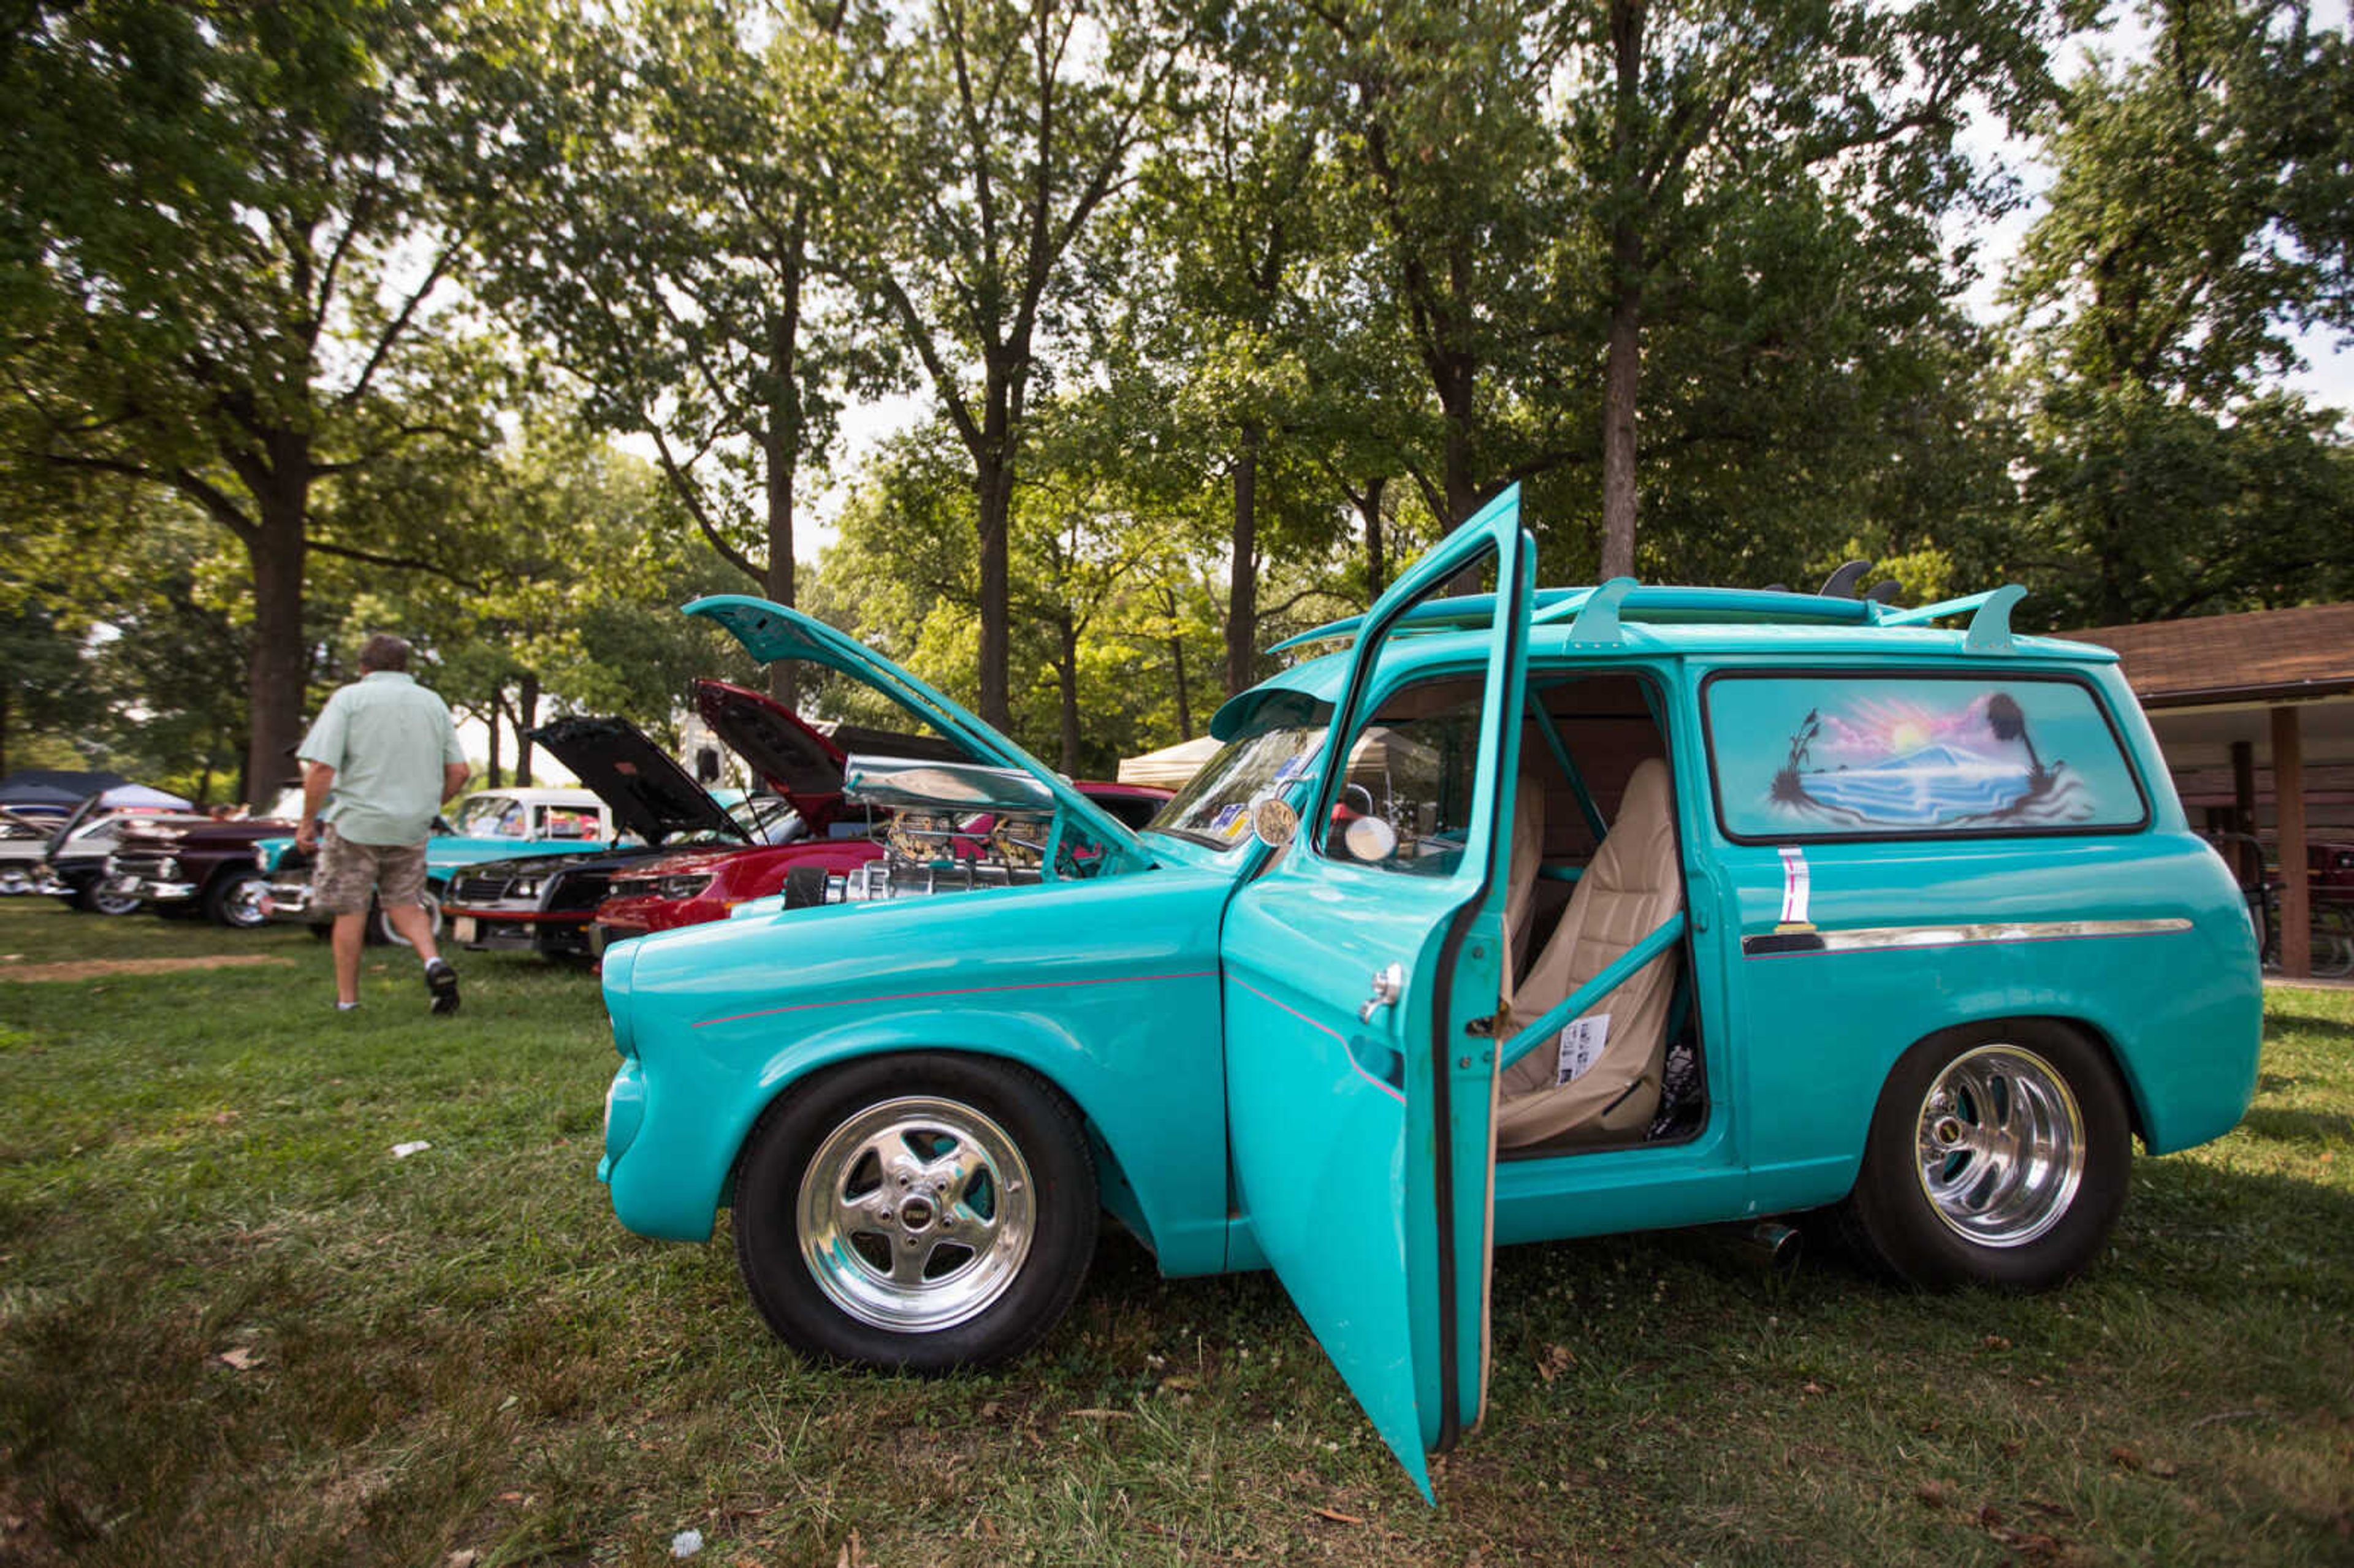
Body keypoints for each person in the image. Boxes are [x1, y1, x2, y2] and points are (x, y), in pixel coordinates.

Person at [294, 633, 470, 1014]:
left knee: (351, 909)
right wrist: (427, 806)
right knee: (406, 902)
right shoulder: (432, 703)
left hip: (356, 823)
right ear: (405, 666)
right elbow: (459, 771)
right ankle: (432, 963)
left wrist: (307, 822)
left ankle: (348, 1000)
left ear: (364, 667)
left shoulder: (350, 699)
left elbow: (322, 767)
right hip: (411, 825)